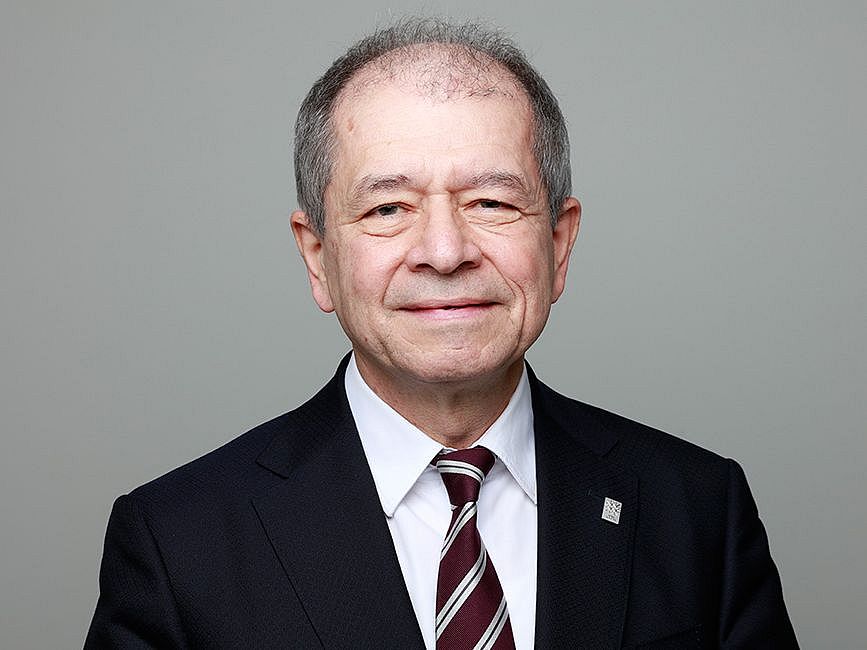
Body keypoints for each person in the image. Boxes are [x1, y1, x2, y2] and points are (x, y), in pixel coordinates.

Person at [85, 18, 797, 649]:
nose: (445, 251)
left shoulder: (697, 509)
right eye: (388, 209)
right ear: (317, 258)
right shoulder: (177, 542)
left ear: (559, 244)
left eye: (490, 202)